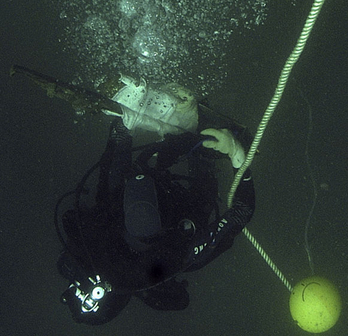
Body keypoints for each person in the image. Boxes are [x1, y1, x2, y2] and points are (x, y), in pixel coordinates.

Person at [57, 117, 253, 324]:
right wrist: (236, 154)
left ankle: (176, 146)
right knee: (201, 198)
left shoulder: (106, 215)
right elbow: (242, 211)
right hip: (176, 222)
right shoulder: (176, 252)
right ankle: (201, 159)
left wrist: (124, 126)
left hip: (124, 213)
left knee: (124, 178)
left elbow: (112, 167)